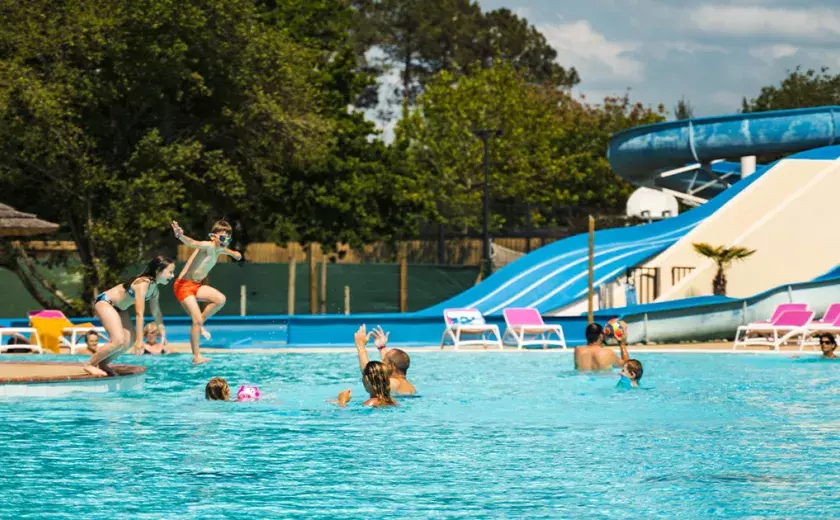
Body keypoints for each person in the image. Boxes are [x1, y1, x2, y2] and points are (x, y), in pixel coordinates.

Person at [83, 256, 175, 377]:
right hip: (106, 303)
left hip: (120, 309)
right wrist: (140, 340)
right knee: (118, 340)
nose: (172, 276)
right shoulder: (143, 284)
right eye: (170, 272)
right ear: (158, 271)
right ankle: (89, 364)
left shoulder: (154, 290)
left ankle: (103, 364)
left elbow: (156, 313)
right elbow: (139, 313)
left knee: (128, 342)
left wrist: (163, 333)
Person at [171, 220, 242, 365]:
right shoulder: (208, 246)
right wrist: (180, 236)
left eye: (228, 238)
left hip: (196, 285)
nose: (225, 241)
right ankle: (196, 356)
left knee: (220, 299)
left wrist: (235, 254)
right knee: (195, 321)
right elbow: (192, 243)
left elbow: (231, 252)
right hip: (183, 286)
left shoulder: (219, 248)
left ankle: (200, 324)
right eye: (222, 237)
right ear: (213, 237)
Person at [353, 325, 397, 407]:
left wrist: (342, 402)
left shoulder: (370, 403)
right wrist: (382, 348)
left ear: (366, 380)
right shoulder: (393, 403)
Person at [369, 326, 416, 395]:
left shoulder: (394, 383)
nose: (382, 365)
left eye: (383, 362)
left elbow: (368, 380)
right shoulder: (411, 388)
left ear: (391, 366)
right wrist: (381, 347)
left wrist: (361, 347)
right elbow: (389, 361)